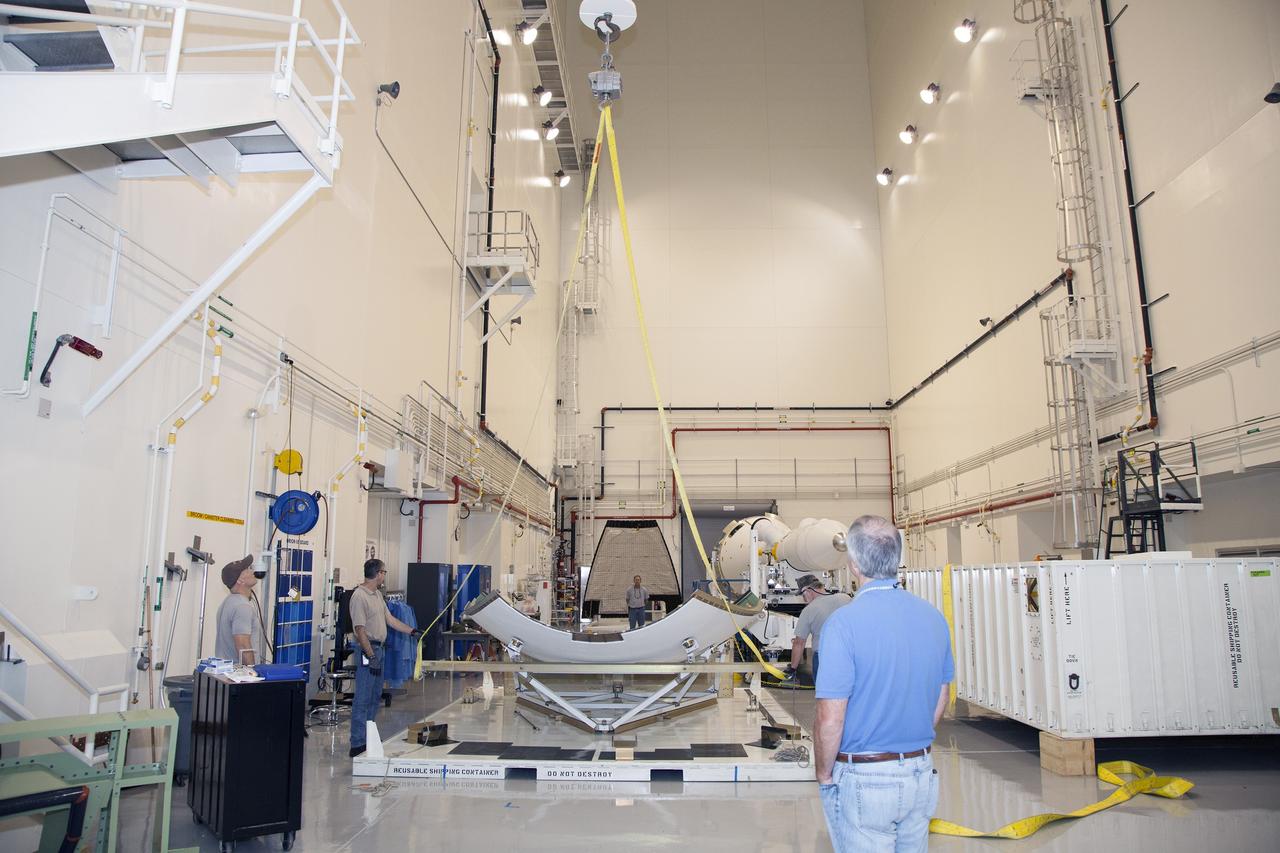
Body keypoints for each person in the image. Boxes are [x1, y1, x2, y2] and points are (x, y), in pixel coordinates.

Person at [814, 515, 954, 853]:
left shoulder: (843, 624)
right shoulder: (933, 617)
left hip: (866, 775)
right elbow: (941, 697)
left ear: (854, 564)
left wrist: (823, 773)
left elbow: (830, 718)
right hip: (921, 773)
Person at [348, 558, 415, 758]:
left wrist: (411, 631)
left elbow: (390, 620)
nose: (385, 575)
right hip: (369, 650)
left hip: (380, 650)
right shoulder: (359, 597)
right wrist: (370, 655)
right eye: (384, 572)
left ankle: (369, 737)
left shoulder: (377, 595)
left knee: (375, 696)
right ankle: (357, 743)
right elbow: (360, 630)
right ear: (378, 573)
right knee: (363, 697)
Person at [788, 574, 852, 684]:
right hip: (849, 655)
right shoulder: (845, 598)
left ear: (808, 591)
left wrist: (792, 669)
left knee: (826, 696)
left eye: (803, 595)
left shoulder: (809, 610)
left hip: (824, 657)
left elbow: (799, 643)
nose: (804, 599)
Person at [213, 555, 267, 666]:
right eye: (247, 569)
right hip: (239, 676)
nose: (252, 571)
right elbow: (243, 646)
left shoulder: (228, 602)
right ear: (240, 580)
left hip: (227, 674)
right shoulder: (242, 607)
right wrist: (253, 674)